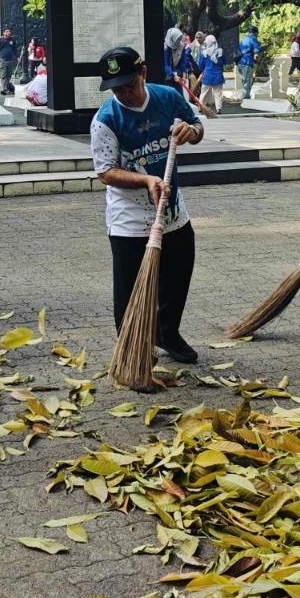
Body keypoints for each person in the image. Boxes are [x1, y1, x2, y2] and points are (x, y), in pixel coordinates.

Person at [91, 47, 204, 364]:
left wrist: (190, 132)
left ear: (143, 73)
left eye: (130, 84)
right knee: (128, 292)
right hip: (129, 217)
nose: (125, 93)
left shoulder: (167, 98)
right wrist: (145, 181)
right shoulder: (106, 120)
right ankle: (132, 349)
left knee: (178, 274)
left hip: (172, 212)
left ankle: (167, 332)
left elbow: (197, 127)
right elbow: (105, 172)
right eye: (117, 88)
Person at [198, 34, 226, 113]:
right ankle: (218, 109)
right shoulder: (220, 52)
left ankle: (201, 107)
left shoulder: (204, 53)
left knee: (204, 93)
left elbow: (201, 66)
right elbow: (224, 62)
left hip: (207, 75)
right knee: (218, 93)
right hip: (218, 75)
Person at [236, 26, 263, 101]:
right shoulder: (253, 38)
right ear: (256, 33)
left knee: (244, 81)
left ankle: (244, 97)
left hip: (240, 63)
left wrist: (255, 61)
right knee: (247, 82)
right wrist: (263, 47)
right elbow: (257, 50)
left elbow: (246, 52)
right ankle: (245, 99)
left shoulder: (244, 39)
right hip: (246, 63)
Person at [0, 27, 19, 95]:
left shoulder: (12, 40)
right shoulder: (0, 40)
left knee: (8, 75)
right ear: (3, 33)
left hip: (10, 60)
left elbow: (15, 49)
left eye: (9, 31)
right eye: (6, 31)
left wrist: (17, 57)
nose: (8, 33)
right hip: (2, 59)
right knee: (3, 74)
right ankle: (4, 89)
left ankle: (6, 88)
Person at [164, 21, 186, 86]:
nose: (179, 41)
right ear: (172, 38)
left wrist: (184, 74)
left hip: (177, 75)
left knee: (179, 95)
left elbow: (183, 61)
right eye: (178, 39)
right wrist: (173, 75)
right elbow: (166, 64)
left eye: (180, 39)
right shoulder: (166, 48)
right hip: (167, 75)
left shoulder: (181, 47)